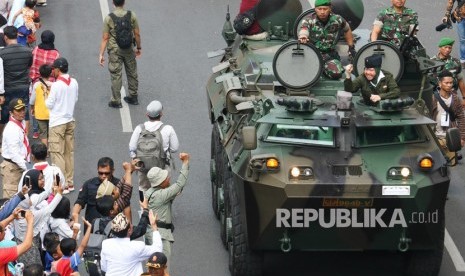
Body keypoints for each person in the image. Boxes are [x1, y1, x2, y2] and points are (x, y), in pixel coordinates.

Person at [145, 153, 190, 266]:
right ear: (160, 182)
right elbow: (179, 184)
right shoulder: (162, 195)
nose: (168, 178)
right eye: (165, 178)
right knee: (162, 267)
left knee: (153, 267)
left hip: (152, 232)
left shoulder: (150, 192)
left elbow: (177, 190)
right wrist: (185, 163)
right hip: (161, 236)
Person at [129, 100, 179, 199]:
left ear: (147, 114)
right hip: (162, 166)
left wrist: (135, 159)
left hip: (143, 167)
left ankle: (144, 210)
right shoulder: (168, 129)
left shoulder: (139, 128)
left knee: (143, 187)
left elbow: (132, 147)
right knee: (163, 190)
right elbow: (174, 148)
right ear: (161, 114)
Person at [98, 0, 141, 108]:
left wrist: (101, 54)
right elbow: (137, 34)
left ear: (113, 3)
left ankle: (116, 101)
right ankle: (133, 96)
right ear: (124, 2)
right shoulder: (132, 15)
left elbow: (105, 38)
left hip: (115, 51)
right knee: (132, 72)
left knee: (116, 75)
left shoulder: (109, 18)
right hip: (129, 49)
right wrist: (138, 48)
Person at [298, 0, 355, 79]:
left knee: (336, 74)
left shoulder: (337, 19)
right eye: (319, 9)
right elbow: (304, 29)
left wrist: (351, 46)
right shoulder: (309, 20)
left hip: (329, 55)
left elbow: (347, 29)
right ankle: (320, 68)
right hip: (312, 54)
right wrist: (303, 36)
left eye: (325, 9)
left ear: (330, 9)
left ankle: (324, 68)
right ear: (315, 9)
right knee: (303, 74)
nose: (322, 12)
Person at [45, 57, 78, 193]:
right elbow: (75, 99)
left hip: (57, 123)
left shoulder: (56, 85)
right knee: (68, 153)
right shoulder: (74, 82)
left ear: (58, 70)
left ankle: (61, 184)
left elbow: (49, 104)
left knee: (57, 153)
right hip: (69, 120)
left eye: (54, 69)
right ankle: (69, 182)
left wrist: (47, 93)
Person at [100, 212, 163, 276]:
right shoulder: (136, 247)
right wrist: (154, 226)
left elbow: (104, 267)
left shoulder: (106, 244)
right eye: (130, 224)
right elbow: (158, 250)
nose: (132, 225)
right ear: (129, 230)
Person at [0, 26, 33, 138]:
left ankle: (1, 138)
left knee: (4, 113)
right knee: (24, 110)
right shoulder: (27, 51)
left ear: (5, 37)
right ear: (17, 35)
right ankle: (25, 137)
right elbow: (29, 65)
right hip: (23, 85)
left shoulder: (2, 53)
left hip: (7, 87)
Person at [72, 157, 121, 226]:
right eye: (100, 173)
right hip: (92, 227)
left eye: (107, 173)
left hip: (113, 226)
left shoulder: (118, 185)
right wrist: (75, 214)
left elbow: (126, 205)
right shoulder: (89, 184)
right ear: (97, 170)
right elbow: (80, 202)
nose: (103, 176)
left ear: (112, 171)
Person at [432, 70, 465, 163]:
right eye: (446, 83)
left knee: (450, 165)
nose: (449, 85)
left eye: (451, 83)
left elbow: (461, 118)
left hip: (450, 138)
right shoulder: (433, 98)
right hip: (435, 138)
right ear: (440, 83)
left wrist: (462, 138)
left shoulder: (455, 98)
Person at [1, 98, 30, 199]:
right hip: (12, 169)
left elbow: (23, 146)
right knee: (10, 202)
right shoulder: (11, 129)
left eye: (23, 109)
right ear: (11, 113)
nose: (22, 112)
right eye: (18, 110)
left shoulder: (20, 123)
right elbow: (14, 154)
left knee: (22, 200)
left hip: (20, 165)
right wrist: (27, 167)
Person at [430, 37, 465, 107]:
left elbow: (460, 80)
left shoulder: (455, 62)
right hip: (436, 97)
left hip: (452, 96)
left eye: (450, 48)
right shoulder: (431, 62)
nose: (448, 50)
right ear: (439, 48)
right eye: (445, 47)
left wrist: (464, 97)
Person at [0, 209, 34, 276]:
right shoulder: (2, 254)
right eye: (4, 230)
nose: (6, 229)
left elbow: (1, 226)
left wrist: (12, 216)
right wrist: (30, 221)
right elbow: (27, 245)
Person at [30, 64, 53, 146]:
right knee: (51, 131)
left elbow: (32, 100)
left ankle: (45, 151)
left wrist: (32, 108)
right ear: (50, 74)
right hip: (51, 113)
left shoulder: (36, 85)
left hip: (40, 113)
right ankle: (51, 148)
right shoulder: (53, 85)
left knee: (43, 133)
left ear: (40, 73)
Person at [443, 0, 465, 68]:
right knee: (463, 40)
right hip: (461, 18)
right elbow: (451, 1)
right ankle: (463, 60)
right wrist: (447, 15)